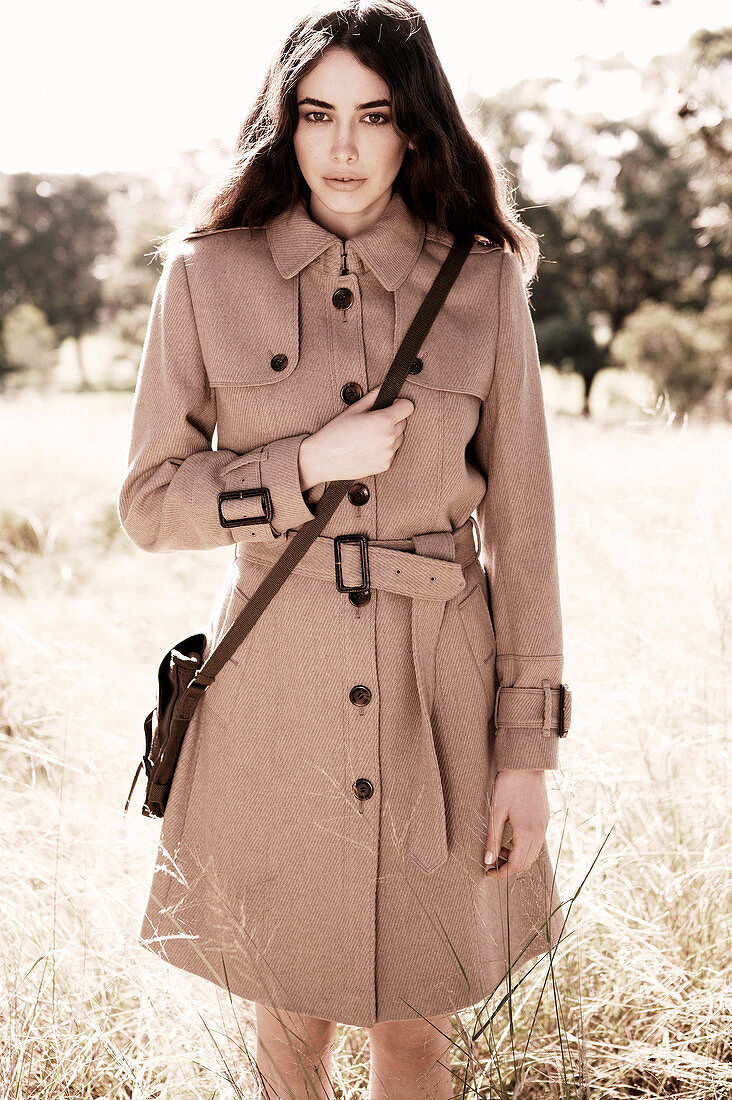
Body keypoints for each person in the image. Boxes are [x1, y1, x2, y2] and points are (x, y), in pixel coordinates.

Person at [117, 1, 572, 1096]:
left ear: (414, 128)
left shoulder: (482, 280)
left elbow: (526, 528)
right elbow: (147, 504)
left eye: (374, 115)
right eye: (318, 114)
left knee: (418, 1028)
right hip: (277, 684)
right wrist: (305, 464)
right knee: (293, 1026)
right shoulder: (202, 275)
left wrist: (528, 751)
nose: (346, 145)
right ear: (286, 127)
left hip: (441, 690)